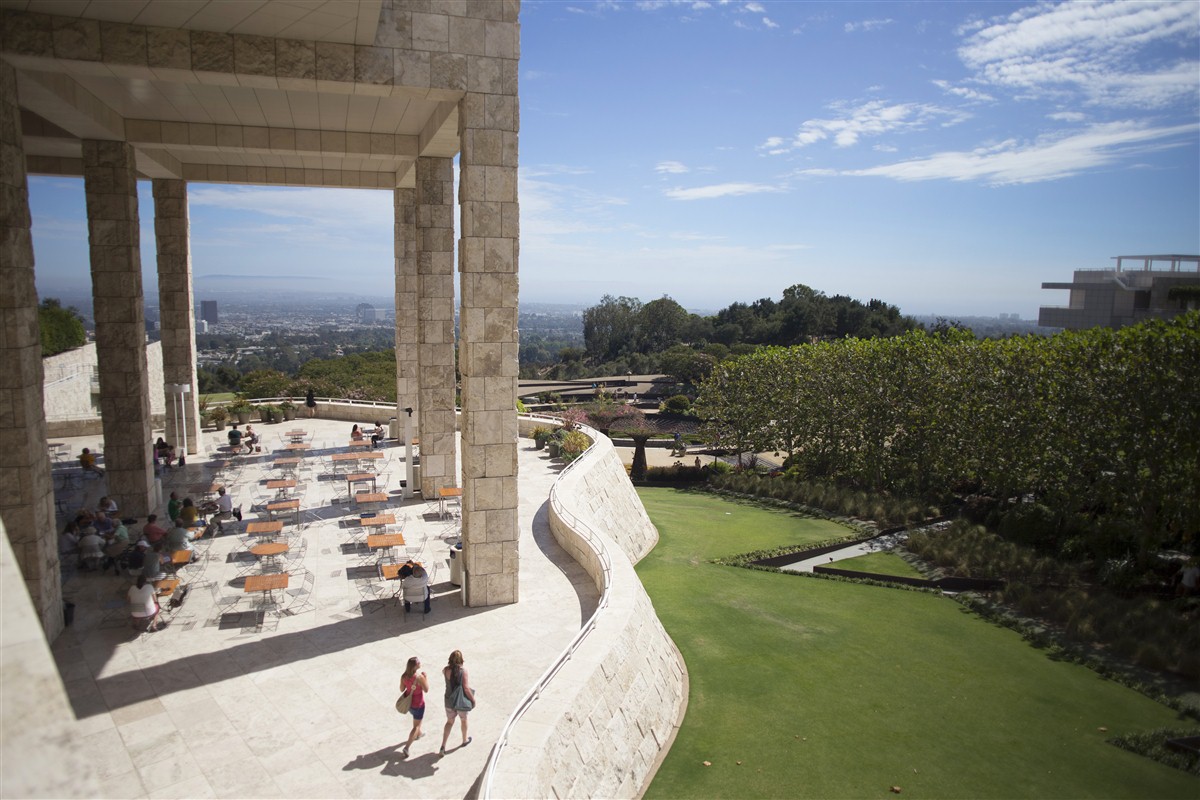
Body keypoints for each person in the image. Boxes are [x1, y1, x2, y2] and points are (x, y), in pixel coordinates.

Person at [439, 650, 476, 756]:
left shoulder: (445, 670)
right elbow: (466, 688)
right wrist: (472, 700)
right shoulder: (463, 671)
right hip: (460, 701)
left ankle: (443, 746)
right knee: (463, 720)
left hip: (449, 700)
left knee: (449, 722)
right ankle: (464, 740)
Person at [399, 656, 430, 758]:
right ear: (415, 666)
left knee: (416, 720)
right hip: (418, 704)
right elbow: (426, 689)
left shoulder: (404, 676)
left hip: (409, 704)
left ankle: (419, 734)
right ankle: (407, 747)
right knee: (416, 726)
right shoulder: (419, 677)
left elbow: (401, 689)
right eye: (418, 662)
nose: (420, 663)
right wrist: (425, 678)